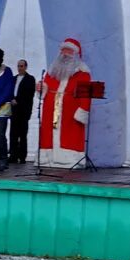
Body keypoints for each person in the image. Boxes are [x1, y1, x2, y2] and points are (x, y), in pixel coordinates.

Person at [38, 38, 91, 168]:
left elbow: (86, 96)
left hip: (70, 112)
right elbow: (46, 88)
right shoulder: (52, 72)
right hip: (51, 110)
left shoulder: (82, 73)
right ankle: (47, 160)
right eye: (63, 50)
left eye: (69, 51)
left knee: (69, 136)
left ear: (76, 54)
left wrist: (83, 110)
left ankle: (69, 161)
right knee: (48, 134)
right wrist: (41, 88)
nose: (65, 54)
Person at [8, 59, 36, 164]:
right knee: (13, 133)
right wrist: (11, 99)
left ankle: (22, 156)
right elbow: (9, 90)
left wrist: (17, 100)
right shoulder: (13, 78)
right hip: (13, 110)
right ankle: (13, 155)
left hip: (23, 110)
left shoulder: (30, 79)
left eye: (22, 66)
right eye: (18, 66)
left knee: (23, 134)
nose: (20, 68)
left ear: (26, 67)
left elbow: (29, 95)